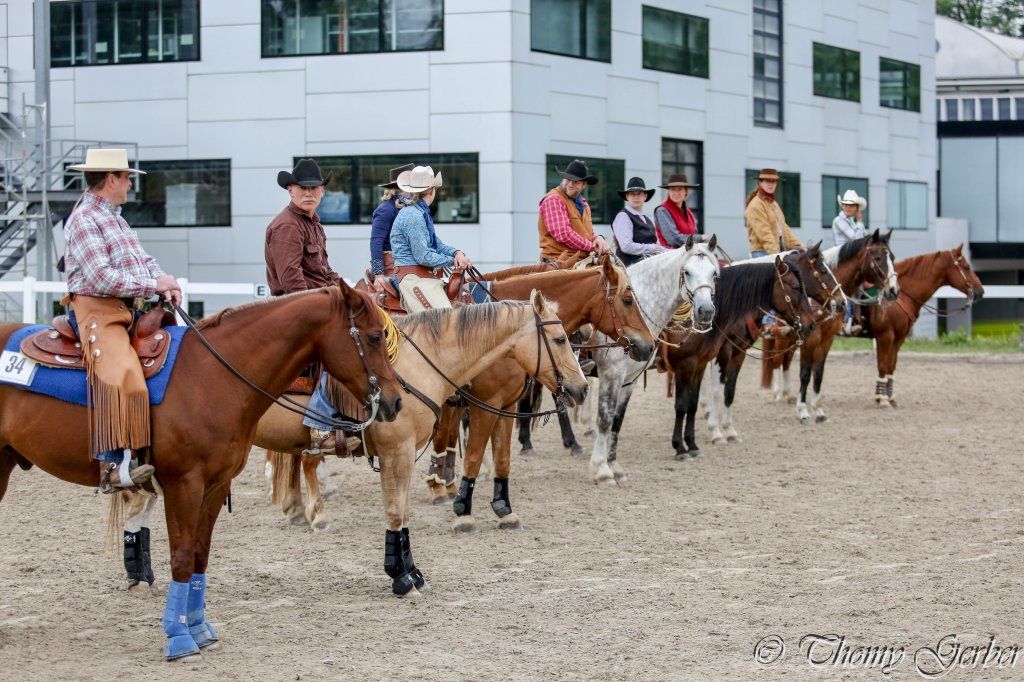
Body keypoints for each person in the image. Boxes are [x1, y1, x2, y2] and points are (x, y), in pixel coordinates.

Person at [63, 148, 182, 492]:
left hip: (125, 309)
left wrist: (164, 280)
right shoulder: (85, 219)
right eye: (127, 177)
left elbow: (144, 259)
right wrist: (151, 284)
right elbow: (100, 277)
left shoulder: (114, 217)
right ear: (111, 178)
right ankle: (112, 463)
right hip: (96, 310)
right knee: (123, 373)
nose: (130, 184)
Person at [264, 158, 349, 456]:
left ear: (323, 191)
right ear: (290, 189)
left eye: (315, 188)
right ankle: (319, 424)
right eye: (303, 188)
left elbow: (323, 271)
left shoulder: (312, 223)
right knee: (343, 348)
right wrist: (317, 310)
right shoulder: (288, 226)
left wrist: (351, 291)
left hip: (315, 302)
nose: (309, 193)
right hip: (298, 308)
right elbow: (291, 281)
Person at [390, 165, 472, 312]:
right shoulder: (413, 216)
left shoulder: (418, 212)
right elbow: (423, 256)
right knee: (447, 318)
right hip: (412, 278)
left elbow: (437, 245)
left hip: (420, 275)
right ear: (433, 191)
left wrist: (456, 253)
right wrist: (453, 261)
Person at [538, 159, 611, 267]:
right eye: (568, 179)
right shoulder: (553, 199)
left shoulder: (584, 204)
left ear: (584, 185)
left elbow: (586, 234)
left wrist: (598, 238)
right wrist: (592, 246)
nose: (571, 184)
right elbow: (563, 234)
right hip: (556, 263)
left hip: (579, 263)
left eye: (576, 181)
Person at [369, 163, 413, 290]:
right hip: (392, 266)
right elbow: (376, 242)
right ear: (402, 188)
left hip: (406, 264)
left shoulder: (408, 208)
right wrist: (378, 274)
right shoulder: (386, 210)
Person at [745, 168, 803, 257]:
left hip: (777, 251)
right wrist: (777, 256)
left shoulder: (774, 204)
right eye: (768, 181)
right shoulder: (755, 205)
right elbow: (765, 235)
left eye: (774, 182)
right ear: (760, 183)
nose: (771, 184)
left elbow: (785, 230)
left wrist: (803, 249)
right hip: (762, 253)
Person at [833, 189, 868, 335]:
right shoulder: (839, 220)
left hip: (851, 260)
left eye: (852, 206)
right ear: (842, 206)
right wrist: (860, 222)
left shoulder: (853, 222)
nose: (848, 208)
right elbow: (855, 239)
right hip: (842, 259)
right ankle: (844, 321)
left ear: (856, 208)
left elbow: (863, 240)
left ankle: (856, 318)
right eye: (846, 205)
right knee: (845, 290)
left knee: (857, 287)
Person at [611, 177, 665, 266]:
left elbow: (657, 246)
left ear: (645, 196)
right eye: (632, 194)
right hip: (628, 269)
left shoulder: (646, 219)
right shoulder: (623, 216)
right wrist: (653, 248)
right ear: (627, 196)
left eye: (639, 194)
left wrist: (671, 252)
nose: (636, 197)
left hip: (647, 267)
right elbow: (627, 247)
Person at [653, 173, 702, 248]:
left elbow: (694, 236)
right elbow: (673, 239)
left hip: (688, 254)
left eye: (679, 189)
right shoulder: (662, 210)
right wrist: (701, 238)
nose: (676, 193)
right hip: (670, 256)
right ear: (669, 191)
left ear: (686, 191)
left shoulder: (688, 212)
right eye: (672, 189)